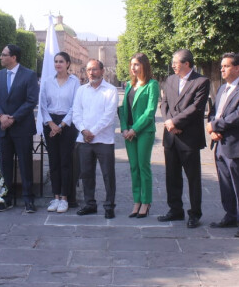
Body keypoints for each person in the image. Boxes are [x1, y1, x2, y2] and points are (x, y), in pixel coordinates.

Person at [206, 53, 239, 238]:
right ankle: (230, 215)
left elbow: (238, 117)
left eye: (226, 66)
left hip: (236, 144)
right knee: (225, 182)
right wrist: (212, 129)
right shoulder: (222, 89)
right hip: (220, 142)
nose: (222, 69)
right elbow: (214, 113)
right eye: (221, 66)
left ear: (237, 68)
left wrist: (215, 126)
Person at [158, 49, 210, 228]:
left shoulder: (201, 81)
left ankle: (195, 213)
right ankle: (175, 210)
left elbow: (196, 108)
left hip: (189, 137)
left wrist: (175, 122)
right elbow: (164, 103)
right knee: (171, 176)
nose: (173, 65)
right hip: (170, 136)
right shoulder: (170, 80)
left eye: (176, 62)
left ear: (186, 64)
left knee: (193, 178)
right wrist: (168, 122)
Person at [0, 44, 40, 213]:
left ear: (13, 57)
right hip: (3, 127)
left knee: (25, 164)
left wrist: (13, 118)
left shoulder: (29, 75)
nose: (0, 57)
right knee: (5, 164)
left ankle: (28, 199)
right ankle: (7, 197)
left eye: (4, 55)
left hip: (22, 128)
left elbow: (31, 100)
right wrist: (1, 116)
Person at [73, 59, 119, 219]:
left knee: (108, 175)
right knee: (86, 174)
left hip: (104, 141)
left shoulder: (111, 91)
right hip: (84, 140)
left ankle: (109, 206)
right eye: (88, 70)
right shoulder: (81, 91)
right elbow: (76, 113)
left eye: (94, 69)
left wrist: (92, 132)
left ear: (102, 70)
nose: (91, 73)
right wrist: (84, 131)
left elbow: (109, 116)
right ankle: (89, 204)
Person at [118, 53, 159, 218]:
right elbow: (123, 109)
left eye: (136, 64)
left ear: (144, 65)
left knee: (143, 167)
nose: (133, 68)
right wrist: (124, 129)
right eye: (132, 65)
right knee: (133, 168)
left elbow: (150, 112)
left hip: (143, 132)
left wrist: (134, 129)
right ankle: (137, 200)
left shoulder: (152, 85)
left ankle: (146, 201)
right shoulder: (129, 85)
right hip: (128, 132)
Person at [39, 52, 80, 214]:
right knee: (54, 161)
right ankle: (55, 196)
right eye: (56, 61)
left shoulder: (74, 82)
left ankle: (65, 197)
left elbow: (75, 105)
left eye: (61, 61)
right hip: (50, 123)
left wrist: (61, 125)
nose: (58, 64)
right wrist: (51, 124)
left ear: (68, 64)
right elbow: (42, 104)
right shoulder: (47, 82)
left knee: (66, 162)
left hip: (67, 125)